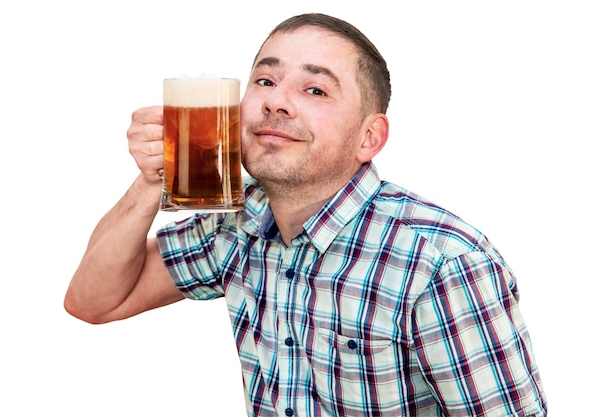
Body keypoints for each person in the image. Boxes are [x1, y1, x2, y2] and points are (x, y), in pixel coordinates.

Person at [64, 13, 547, 417]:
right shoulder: (238, 225)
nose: (276, 100)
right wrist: (152, 181)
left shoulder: (441, 261)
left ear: (369, 138)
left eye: (315, 90)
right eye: (265, 80)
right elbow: (95, 301)